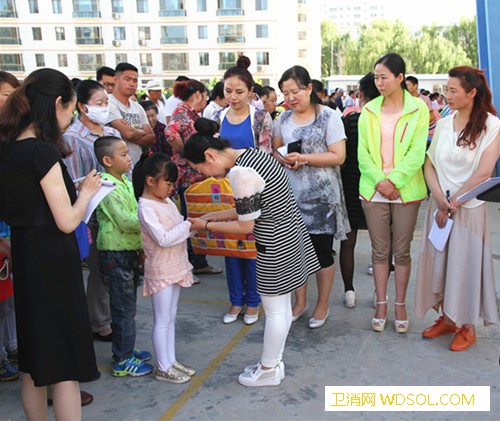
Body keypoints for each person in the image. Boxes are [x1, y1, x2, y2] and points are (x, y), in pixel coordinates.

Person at [185, 118, 320, 387]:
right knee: (280, 309)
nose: (206, 175)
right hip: (289, 235)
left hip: (274, 244)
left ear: (210, 155)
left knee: (275, 312)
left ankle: (268, 369)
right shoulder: (252, 154)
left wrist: (207, 225)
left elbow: (246, 225)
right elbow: (252, 207)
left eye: (201, 168)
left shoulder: (240, 174)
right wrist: (215, 215)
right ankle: (274, 363)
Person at [0, 68, 101, 419]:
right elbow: (67, 220)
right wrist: (86, 192)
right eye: (71, 110)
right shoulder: (41, 154)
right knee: (64, 365)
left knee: (34, 360)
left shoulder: (9, 149)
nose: (71, 117)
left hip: (26, 257)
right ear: (58, 103)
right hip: (53, 262)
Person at [415, 66, 500, 351]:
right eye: (447, 89)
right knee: (440, 264)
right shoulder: (442, 123)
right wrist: (439, 199)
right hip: (440, 206)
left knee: (465, 265)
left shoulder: (492, 126)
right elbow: (429, 164)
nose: (447, 95)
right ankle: (447, 317)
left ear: (472, 93)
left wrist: (453, 204)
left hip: (468, 207)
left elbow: (483, 173)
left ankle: (467, 326)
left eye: (453, 91)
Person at [273, 65, 349, 329]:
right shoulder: (281, 120)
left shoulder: (329, 117)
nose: (290, 98)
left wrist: (304, 159)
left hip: (322, 201)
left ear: (308, 89)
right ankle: (300, 302)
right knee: (294, 253)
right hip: (290, 197)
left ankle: (322, 304)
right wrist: (284, 159)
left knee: (321, 253)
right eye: (285, 93)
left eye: (295, 91)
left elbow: (338, 156)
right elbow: (276, 152)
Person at [358, 53, 428, 334]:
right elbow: (363, 154)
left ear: (401, 78)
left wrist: (394, 180)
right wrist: (380, 181)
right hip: (374, 191)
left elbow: (416, 152)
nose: (379, 82)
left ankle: (400, 304)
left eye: (384, 76)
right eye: (376, 77)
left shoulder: (418, 109)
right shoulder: (369, 110)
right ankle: (381, 304)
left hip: (406, 190)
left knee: (402, 251)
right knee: (379, 250)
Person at [212, 56, 273, 325]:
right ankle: (235, 300)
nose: (233, 97)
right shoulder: (216, 116)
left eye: (239, 91)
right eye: (228, 91)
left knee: (251, 247)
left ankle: (253, 302)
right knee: (230, 248)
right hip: (224, 189)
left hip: (253, 191)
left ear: (250, 92)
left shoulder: (260, 117)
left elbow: (266, 156)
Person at [64, 80, 121, 342]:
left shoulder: (111, 133)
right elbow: (74, 181)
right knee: (98, 269)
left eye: (106, 102)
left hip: (119, 209)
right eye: (99, 103)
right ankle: (100, 321)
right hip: (94, 213)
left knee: (117, 268)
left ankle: (115, 314)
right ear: (82, 107)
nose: (104, 107)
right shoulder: (72, 138)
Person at [134, 152, 196, 383]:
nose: (172, 188)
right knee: (162, 319)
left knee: (170, 316)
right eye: (168, 183)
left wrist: (194, 225)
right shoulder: (146, 206)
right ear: (151, 181)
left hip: (176, 265)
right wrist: (189, 224)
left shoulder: (166, 200)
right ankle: (163, 366)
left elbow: (179, 227)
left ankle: (171, 361)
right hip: (160, 269)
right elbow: (163, 238)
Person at [94, 136, 153, 377]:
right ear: (107, 160)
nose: (129, 158)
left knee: (128, 306)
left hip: (128, 251)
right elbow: (127, 221)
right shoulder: (105, 187)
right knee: (122, 309)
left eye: (128, 153)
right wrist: (154, 219)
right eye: (124, 154)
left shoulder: (124, 180)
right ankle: (122, 359)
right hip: (115, 254)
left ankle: (126, 348)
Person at [166, 79, 222, 277]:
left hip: (197, 176)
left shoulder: (192, 114)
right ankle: (190, 264)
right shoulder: (181, 112)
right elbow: (170, 133)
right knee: (189, 219)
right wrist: (188, 153)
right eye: (205, 97)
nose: (205, 101)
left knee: (197, 216)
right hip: (187, 177)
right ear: (198, 94)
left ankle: (199, 261)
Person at [339, 73, 380, 308]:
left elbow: (341, 159)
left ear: (360, 95)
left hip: (351, 188)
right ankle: (378, 293)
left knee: (348, 242)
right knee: (381, 244)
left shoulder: (351, 121)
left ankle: (349, 291)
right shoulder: (386, 123)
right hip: (378, 188)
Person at [107, 62, 155, 165]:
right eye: (127, 79)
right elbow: (128, 133)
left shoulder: (137, 107)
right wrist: (141, 131)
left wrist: (131, 133)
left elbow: (151, 137)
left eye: (135, 80)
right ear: (116, 80)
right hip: (117, 167)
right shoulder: (109, 103)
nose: (132, 84)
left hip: (137, 164)